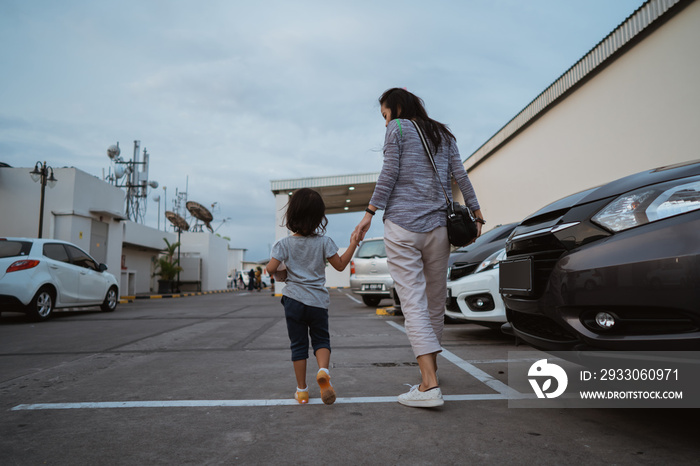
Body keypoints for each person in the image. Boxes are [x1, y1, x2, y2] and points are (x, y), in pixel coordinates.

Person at [353, 88, 484, 408]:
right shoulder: (443, 133)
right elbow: (459, 175)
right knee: (435, 303)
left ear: (396, 108)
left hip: (402, 227)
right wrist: (476, 210)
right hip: (439, 229)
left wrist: (369, 213)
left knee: (412, 302)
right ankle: (432, 371)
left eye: (385, 115)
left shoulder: (398, 129)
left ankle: (429, 384)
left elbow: (390, 172)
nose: (385, 124)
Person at [266, 188, 360, 405]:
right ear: (319, 217)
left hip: (293, 301)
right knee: (321, 340)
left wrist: (281, 271)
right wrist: (354, 242)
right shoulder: (324, 242)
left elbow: (271, 269)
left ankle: (302, 391)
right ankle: (324, 371)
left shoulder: (284, 244)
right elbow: (341, 265)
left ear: (292, 215)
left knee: (298, 345)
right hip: (317, 302)